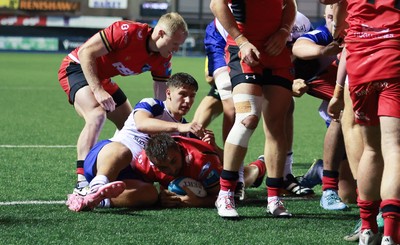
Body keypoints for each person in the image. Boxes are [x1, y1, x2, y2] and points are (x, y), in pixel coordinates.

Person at [57, 12, 189, 193]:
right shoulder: (126, 32)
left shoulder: (163, 58)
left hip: (103, 78)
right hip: (77, 67)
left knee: (132, 124)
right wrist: (97, 89)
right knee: (96, 115)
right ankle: (82, 182)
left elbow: (161, 100)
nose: (176, 49)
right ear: (160, 34)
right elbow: (85, 52)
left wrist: (163, 125)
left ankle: (113, 169)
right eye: (175, 43)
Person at [66, 72, 206, 211]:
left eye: (192, 96)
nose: (188, 101)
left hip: (134, 178)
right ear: (168, 93)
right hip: (106, 159)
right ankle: (96, 186)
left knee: (151, 194)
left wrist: (209, 144)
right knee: (123, 151)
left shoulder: (187, 132)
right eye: (183, 94)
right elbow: (142, 123)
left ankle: (94, 200)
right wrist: (179, 126)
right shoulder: (153, 105)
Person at [210, 0, 297, 218]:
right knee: (247, 118)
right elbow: (216, 4)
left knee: (277, 125)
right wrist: (241, 40)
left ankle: (274, 198)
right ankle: (226, 193)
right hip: (245, 49)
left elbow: (291, 4)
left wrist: (284, 31)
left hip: (276, 51)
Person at [322, 0, 400, 244]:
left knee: (372, 149)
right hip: (393, 56)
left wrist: (336, 94)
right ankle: (391, 232)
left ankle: (368, 227)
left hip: (360, 62)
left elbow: (330, 9)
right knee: (393, 146)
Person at [291, 4, 356, 210]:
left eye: (334, 16)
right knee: (344, 111)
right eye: (328, 16)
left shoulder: (360, 29)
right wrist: (323, 50)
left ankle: (321, 171)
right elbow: (299, 46)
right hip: (337, 104)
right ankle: (328, 187)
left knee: (352, 195)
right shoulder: (324, 34)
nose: (332, 21)